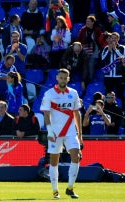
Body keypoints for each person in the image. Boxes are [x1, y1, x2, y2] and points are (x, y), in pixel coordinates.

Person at [40, 68, 82, 199]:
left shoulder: (74, 93)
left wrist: (80, 133)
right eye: (61, 78)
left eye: (65, 78)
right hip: (55, 132)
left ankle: (70, 187)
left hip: (70, 131)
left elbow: (76, 113)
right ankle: (55, 190)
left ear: (68, 79)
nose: (63, 80)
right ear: (57, 78)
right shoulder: (49, 94)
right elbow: (46, 114)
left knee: (76, 155)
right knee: (54, 161)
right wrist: (50, 131)